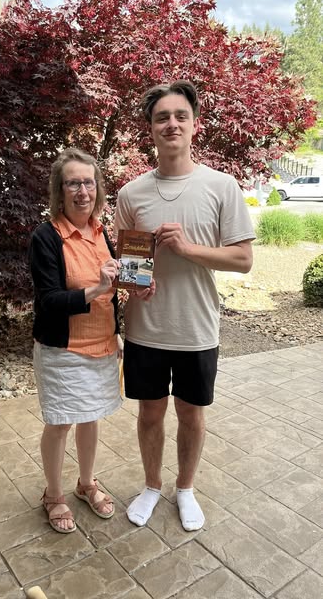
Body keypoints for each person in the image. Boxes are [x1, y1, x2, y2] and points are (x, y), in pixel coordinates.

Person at [115, 80, 255, 531]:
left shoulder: (221, 186)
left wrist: (188, 248)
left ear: (195, 125)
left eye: (180, 116)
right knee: (149, 413)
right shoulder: (131, 194)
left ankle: (186, 489)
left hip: (196, 327)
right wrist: (134, 284)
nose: (171, 124)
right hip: (146, 328)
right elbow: (128, 264)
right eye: (162, 117)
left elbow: (243, 260)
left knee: (191, 414)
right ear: (150, 129)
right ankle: (152, 485)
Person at [30, 147, 122, 534]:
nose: (82, 191)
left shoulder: (101, 232)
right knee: (60, 423)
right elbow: (49, 302)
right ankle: (54, 495)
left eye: (88, 182)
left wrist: (133, 289)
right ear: (60, 190)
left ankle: (86, 484)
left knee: (90, 416)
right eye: (73, 183)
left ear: (97, 188)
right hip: (63, 351)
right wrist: (96, 288)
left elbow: (112, 289)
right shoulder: (46, 236)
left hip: (102, 346)